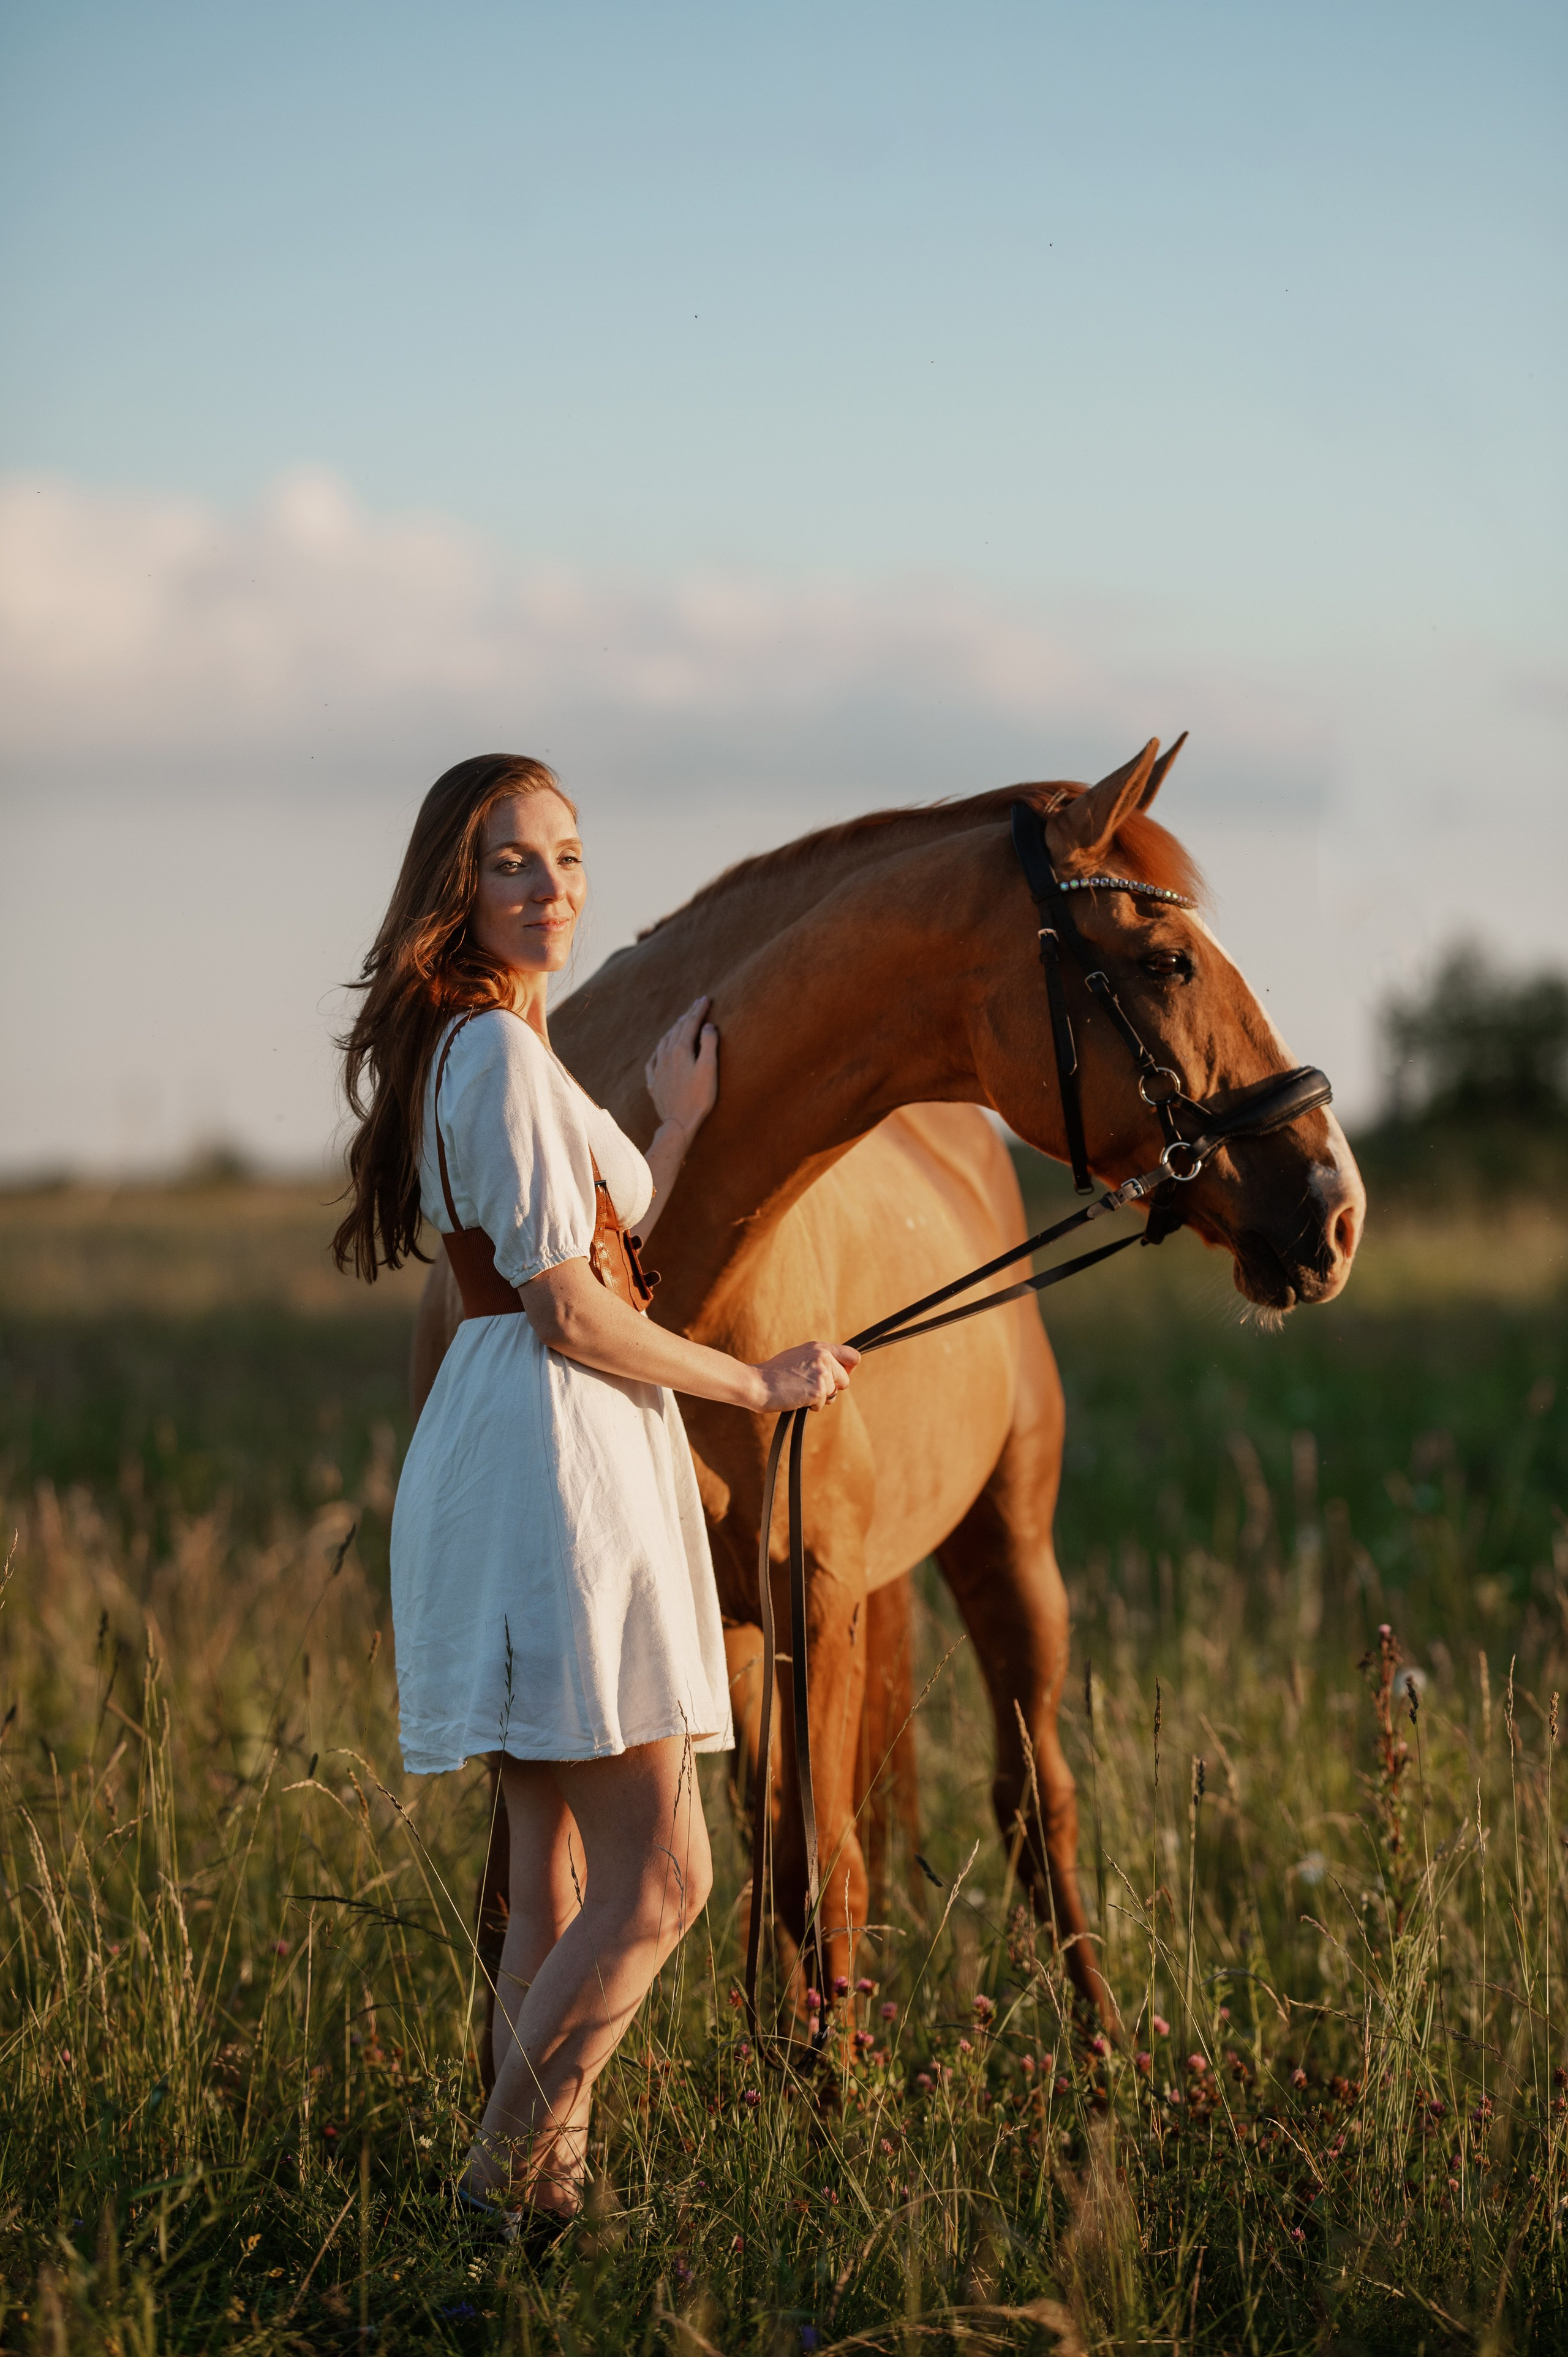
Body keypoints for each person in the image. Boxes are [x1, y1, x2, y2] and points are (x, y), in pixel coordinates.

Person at [332, 753, 856, 2242]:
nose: (550, 888)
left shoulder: (497, 1049)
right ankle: (492, 2194)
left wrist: (674, 1119)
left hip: (516, 1450)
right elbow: (571, 1310)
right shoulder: (491, 1058)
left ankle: (545, 2212)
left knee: (552, 1883)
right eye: (512, 863)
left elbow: (602, 1240)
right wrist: (757, 1385)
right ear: (457, 884)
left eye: (567, 858)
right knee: (671, 1875)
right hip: (550, 1462)